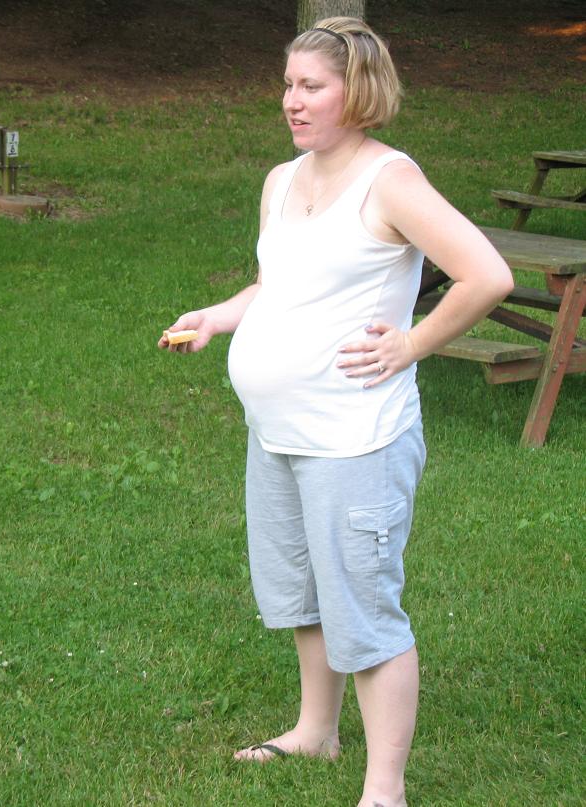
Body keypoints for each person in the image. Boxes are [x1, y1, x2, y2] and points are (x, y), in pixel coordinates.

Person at [158, 17, 512, 807]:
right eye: (287, 84)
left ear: (359, 92)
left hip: (355, 438)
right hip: (278, 432)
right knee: (301, 593)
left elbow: (485, 273)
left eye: (310, 85)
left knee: (364, 609)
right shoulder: (283, 181)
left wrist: (412, 343)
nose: (291, 100)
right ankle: (316, 729)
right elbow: (277, 285)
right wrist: (219, 315)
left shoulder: (391, 182)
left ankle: (385, 791)